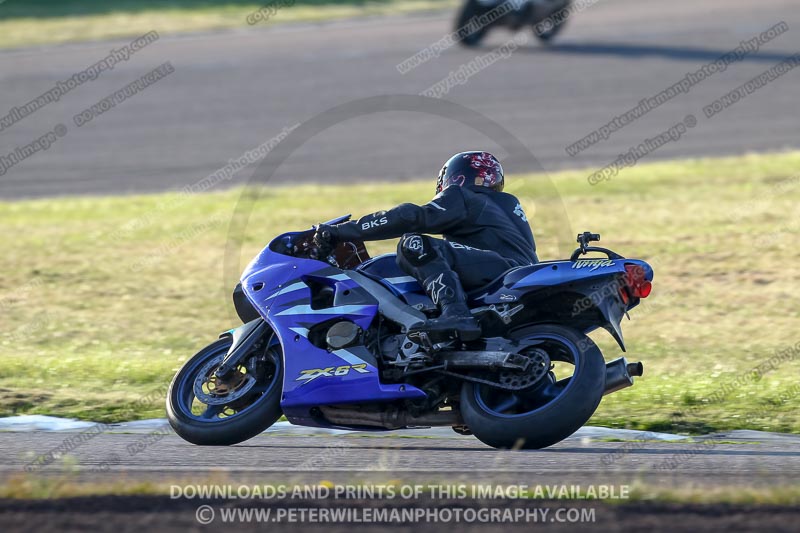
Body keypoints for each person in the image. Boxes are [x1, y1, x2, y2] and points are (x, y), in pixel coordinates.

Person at [314, 151, 538, 342]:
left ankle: (455, 312)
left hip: (503, 272)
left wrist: (341, 231)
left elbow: (409, 217)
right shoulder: (506, 207)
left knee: (413, 242)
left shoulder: (463, 195)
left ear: (454, 178)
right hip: (518, 279)